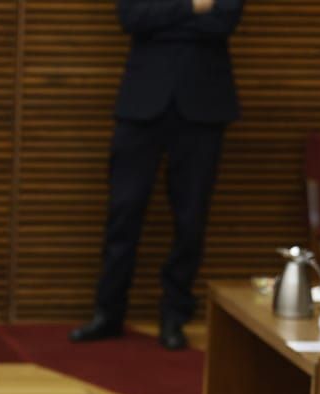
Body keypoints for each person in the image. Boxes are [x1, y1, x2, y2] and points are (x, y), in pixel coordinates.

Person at [69, 0, 245, 352]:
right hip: (141, 104)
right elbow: (132, 19)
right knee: (123, 212)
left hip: (203, 108)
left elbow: (224, 23)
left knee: (190, 220)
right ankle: (108, 312)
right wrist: (192, 7)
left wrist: (165, 16)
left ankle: (174, 316)